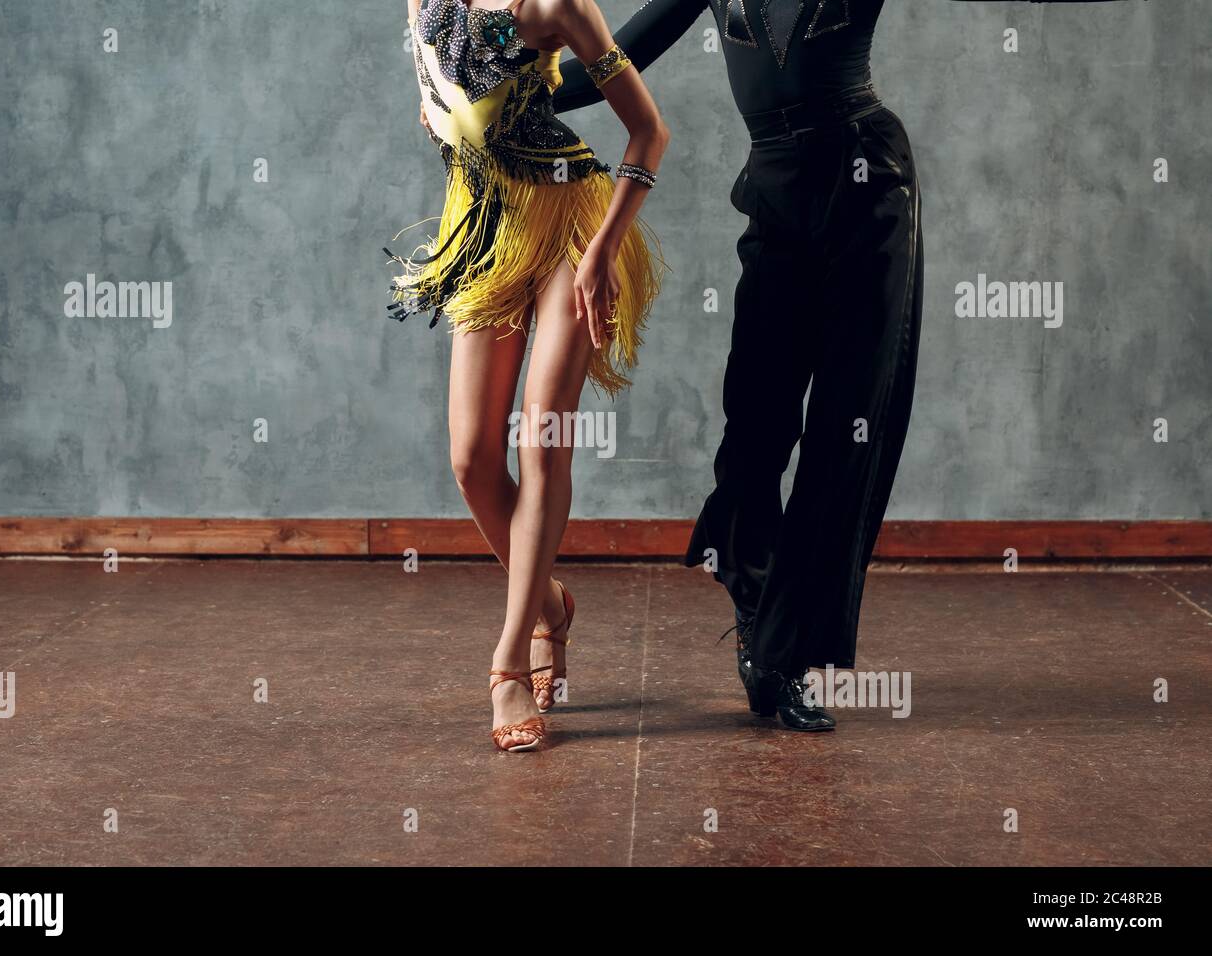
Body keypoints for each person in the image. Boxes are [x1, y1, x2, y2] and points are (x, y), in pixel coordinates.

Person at [552, 0, 1123, 730]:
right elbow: (612, 62)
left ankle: (781, 657)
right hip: (777, 193)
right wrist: (489, 87)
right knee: (754, 427)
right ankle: (758, 600)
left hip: (869, 189)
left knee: (845, 433)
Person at [388, 0, 669, 752]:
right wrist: (443, 116)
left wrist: (608, 246)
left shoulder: (556, 7)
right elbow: (443, 80)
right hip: (485, 226)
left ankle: (510, 660)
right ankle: (551, 604)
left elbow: (650, 130)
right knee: (472, 459)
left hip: (573, 229)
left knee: (541, 440)